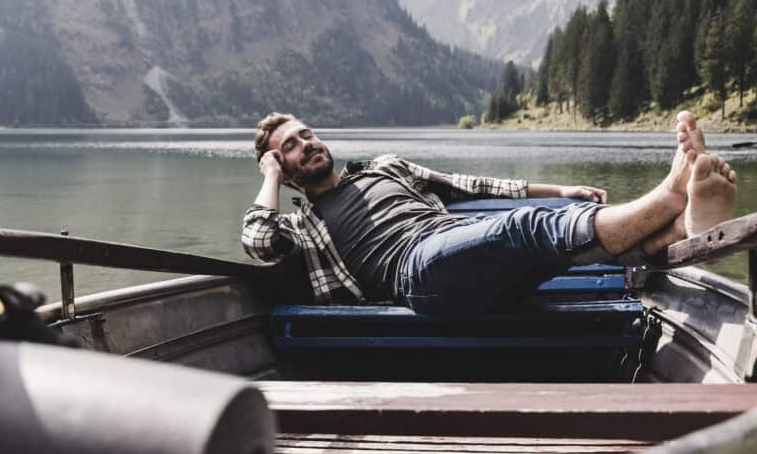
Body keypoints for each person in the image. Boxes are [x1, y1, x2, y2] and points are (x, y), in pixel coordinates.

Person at [241, 111, 737, 313]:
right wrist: (269, 178)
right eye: (289, 146)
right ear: (281, 167)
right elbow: (259, 243)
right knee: (521, 230)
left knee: (537, 231)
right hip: (415, 275)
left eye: (307, 134)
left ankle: (680, 229)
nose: (305, 144)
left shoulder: (383, 168)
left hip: (458, 245)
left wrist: (560, 188)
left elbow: (470, 185)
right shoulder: (302, 226)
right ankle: (671, 196)